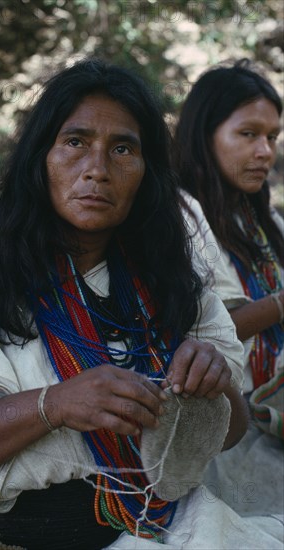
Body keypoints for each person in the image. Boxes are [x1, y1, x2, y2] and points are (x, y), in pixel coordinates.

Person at [0, 58, 277, 550]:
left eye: (123, 149)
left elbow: (230, 431)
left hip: (168, 522)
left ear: (147, 170)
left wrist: (215, 387)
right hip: (13, 536)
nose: (97, 170)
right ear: (40, 157)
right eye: (75, 142)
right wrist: (55, 404)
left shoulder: (173, 277)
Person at [174, 59, 284, 517]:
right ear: (205, 135)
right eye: (248, 134)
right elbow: (202, 334)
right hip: (230, 430)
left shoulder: (264, 223)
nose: (265, 151)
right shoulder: (179, 217)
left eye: (272, 137)